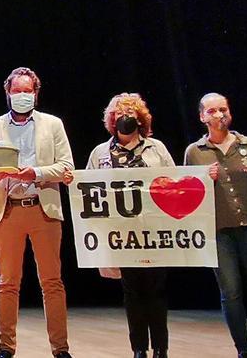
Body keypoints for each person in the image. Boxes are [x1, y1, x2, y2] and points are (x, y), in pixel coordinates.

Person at [0, 68, 74, 358]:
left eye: (27, 90)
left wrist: (36, 173)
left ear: (36, 93)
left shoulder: (52, 124)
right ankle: (6, 347)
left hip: (43, 208)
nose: (22, 96)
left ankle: (60, 348)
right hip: (8, 210)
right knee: (7, 282)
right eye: (17, 91)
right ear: (8, 93)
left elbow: (66, 168)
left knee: (52, 282)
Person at [77, 93, 176, 358]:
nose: (126, 117)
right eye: (120, 112)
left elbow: (175, 182)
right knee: (132, 291)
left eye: (131, 112)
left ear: (141, 118)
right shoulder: (101, 152)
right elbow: (86, 189)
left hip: (154, 231)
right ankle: (139, 349)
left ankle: (161, 348)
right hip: (121, 234)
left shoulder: (156, 149)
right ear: (112, 119)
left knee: (156, 290)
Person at [184, 93, 247, 358]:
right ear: (202, 117)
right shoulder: (195, 152)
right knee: (232, 291)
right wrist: (204, 179)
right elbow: (188, 192)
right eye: (211, 111)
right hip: (217, 230)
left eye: (222, 109)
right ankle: (244, 349)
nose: (218, 114)